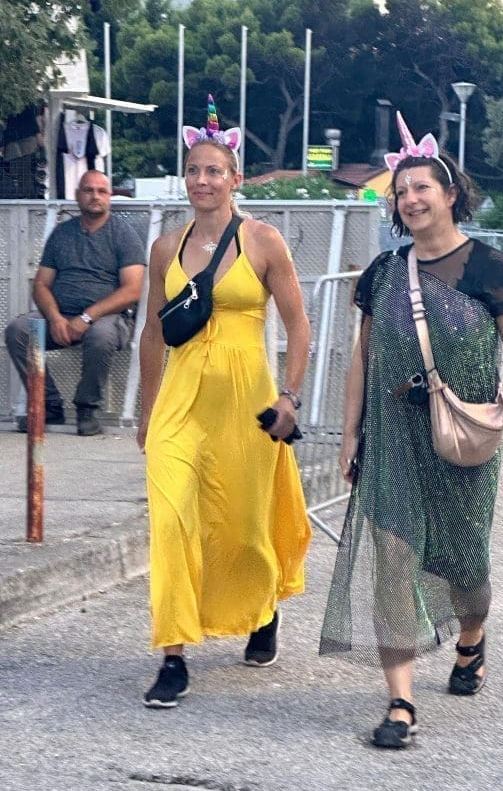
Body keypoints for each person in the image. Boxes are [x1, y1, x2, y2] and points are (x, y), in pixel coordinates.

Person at [319, 111, 503, 748]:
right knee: (393, 561)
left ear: (451, 194)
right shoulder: (382, 272)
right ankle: (400, 702)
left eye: (422, 186)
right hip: (392, 441)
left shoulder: (491, 268)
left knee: (465, 567)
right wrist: (350, 436)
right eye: (401, 190)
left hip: (463, 442)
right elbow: (361, 362)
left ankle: (470, 642)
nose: (410, 198)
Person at [137, 95, 311, 708]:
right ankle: (174, 653)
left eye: (214, 171)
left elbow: (299, 325)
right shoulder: (165, 248)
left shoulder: (263, 241)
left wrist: (290, 397)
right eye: (193, 170)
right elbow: (152, 334)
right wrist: (145, 412)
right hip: (180, 404)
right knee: (172, 520)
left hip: (246, 403)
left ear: (235, 179)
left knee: (242, 526)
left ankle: (262, 609)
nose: (202, 181)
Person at [4, 170, 146, 435]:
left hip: (110, 319)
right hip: (61, 316)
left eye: (101, 191)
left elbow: (132, 290)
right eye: (88, 190)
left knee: (100, 336)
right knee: (18, 330)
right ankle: (48, 405)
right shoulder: (61, 234)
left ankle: (87, 408)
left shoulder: (123, 234)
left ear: (110, 196)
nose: (95, 196)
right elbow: (41, 284)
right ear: (78, 195)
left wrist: (87, 317)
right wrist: (55, 317)